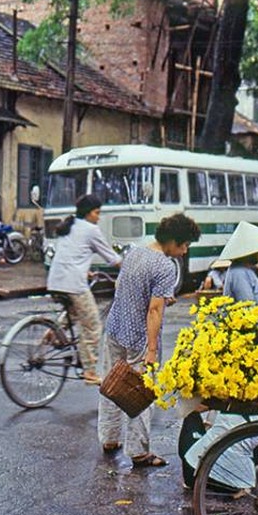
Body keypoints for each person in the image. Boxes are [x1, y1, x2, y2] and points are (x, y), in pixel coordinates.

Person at [178, 221, 258, 487]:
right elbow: (247, 313)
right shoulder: (240, 273)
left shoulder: (244, 271)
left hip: (252, 343)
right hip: (244, 348)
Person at [97, 213, 200, 467]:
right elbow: (154, 310)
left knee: (112, 384)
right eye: (184, 245)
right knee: (141, 393)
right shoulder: (164, 266)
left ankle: (109, 438)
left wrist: (161, 297)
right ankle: (138, 451)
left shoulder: (135, 251)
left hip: (114, 327)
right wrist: (151, 350)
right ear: (173, 241)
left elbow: (124, 285)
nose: (185, 251)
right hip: (139, 337)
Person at [46, 194, 122, 385]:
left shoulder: (69, 225)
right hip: (73, 283)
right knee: (93, 326)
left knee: (75, 312)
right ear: (89, 213)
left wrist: (86, 271)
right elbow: (112, 258)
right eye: (97, 213)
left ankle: (52, 333)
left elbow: (71, 254)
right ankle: (89, 371)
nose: (98, 217)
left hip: (55, 280)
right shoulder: (91, 230)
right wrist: (130, 268)